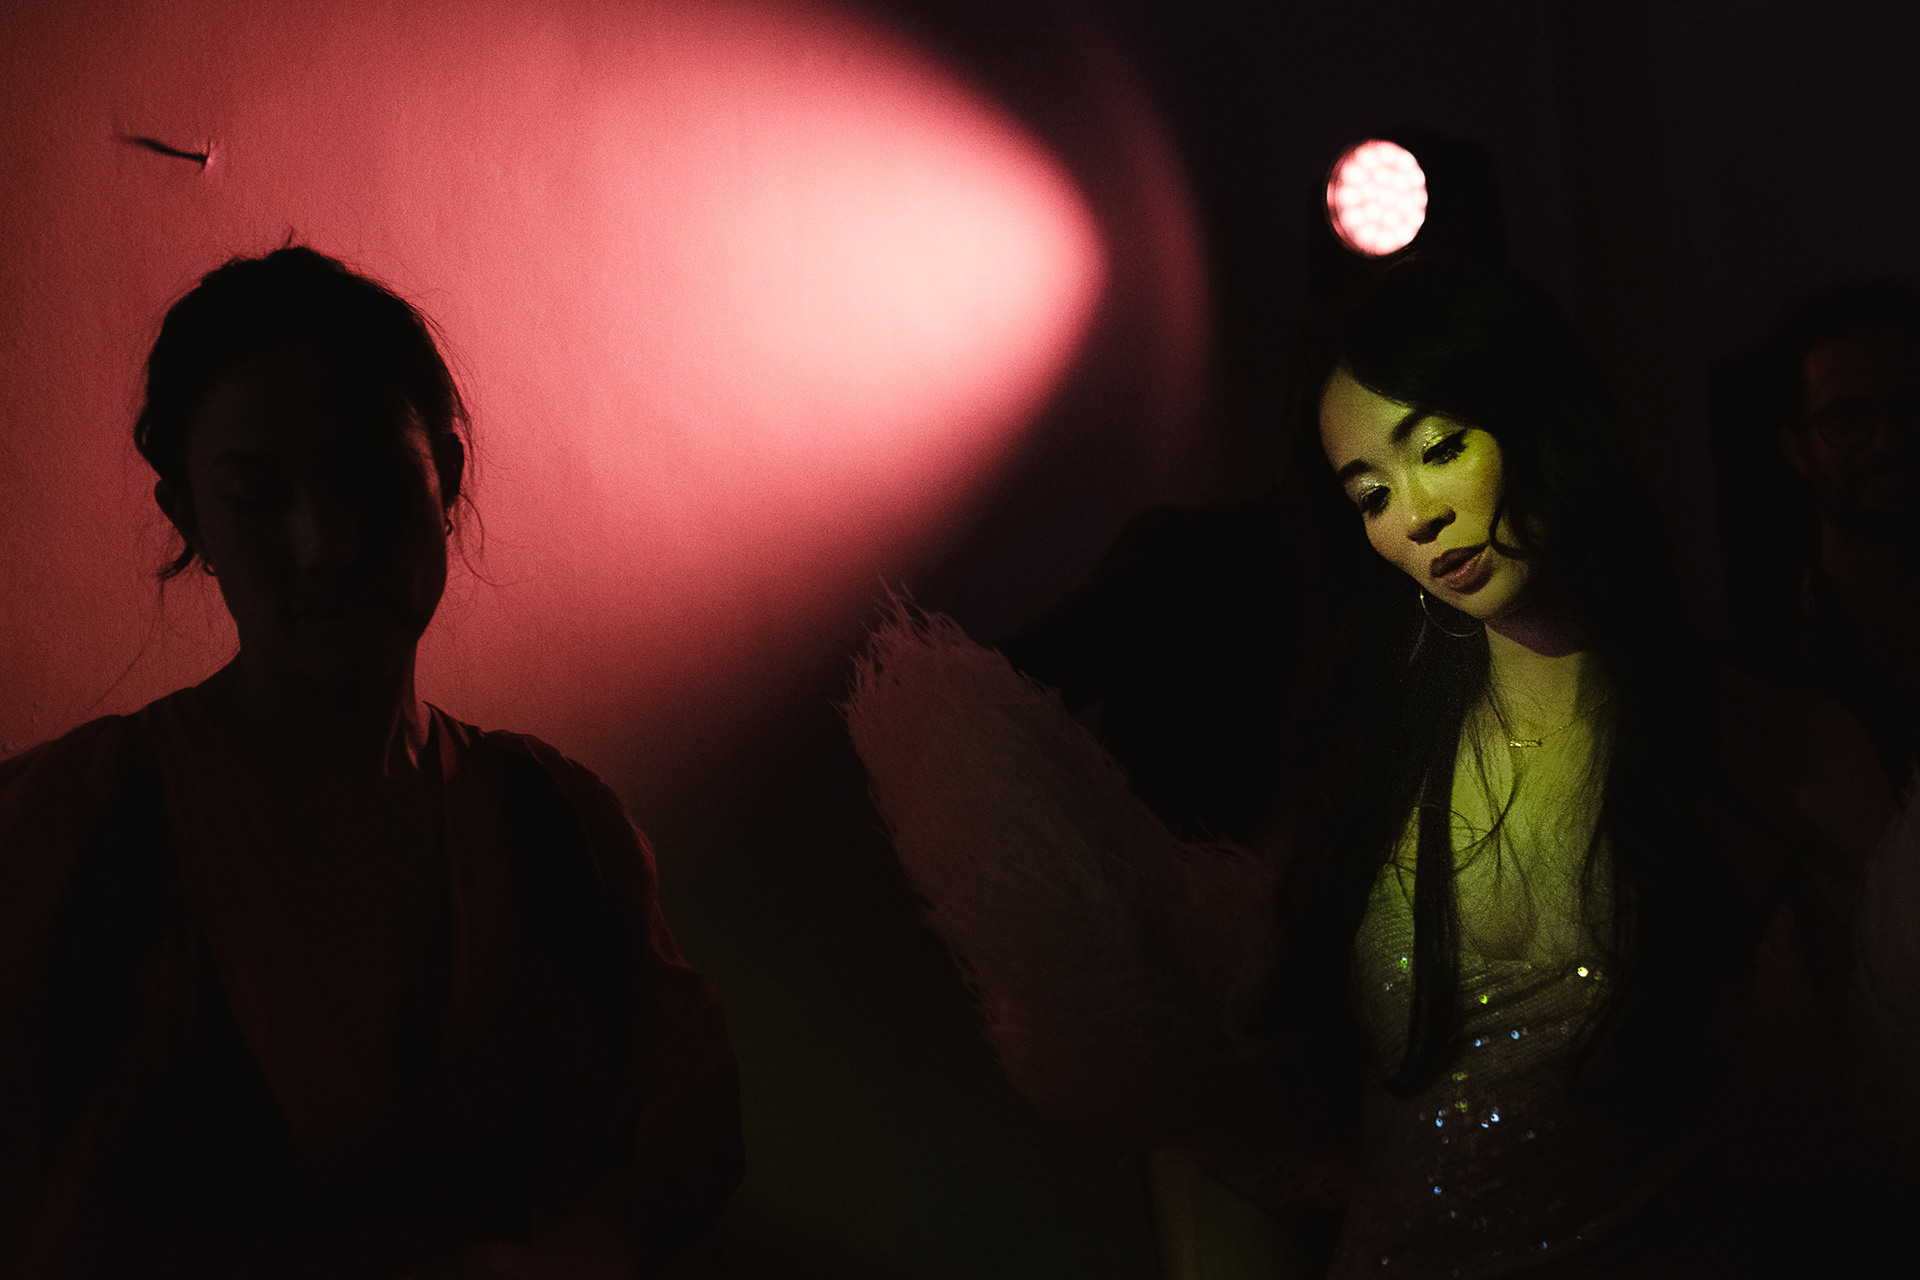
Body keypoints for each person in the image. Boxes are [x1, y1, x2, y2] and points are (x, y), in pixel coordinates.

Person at [847, 257, 1910, 1276]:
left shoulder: (1771, 742)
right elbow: (1271, 1094)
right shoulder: (1375, 754)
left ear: (1544, 415)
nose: (1415, 514)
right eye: (1368, 493)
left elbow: (1885, 1093)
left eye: (1439, 446)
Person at [0, 247, 743, 1278]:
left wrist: (590, 1248)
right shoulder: (73, 823)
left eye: (369, 480)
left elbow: (687, 1119)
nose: (326, 542)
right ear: (189, 518)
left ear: (449, 479)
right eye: (260, 498)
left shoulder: (555, 822)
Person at [1720, 279, 1920, 792]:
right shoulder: (1760, 676)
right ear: (1797, 449)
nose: (1887, 441)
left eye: (1907, 408)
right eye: (1847, 417)